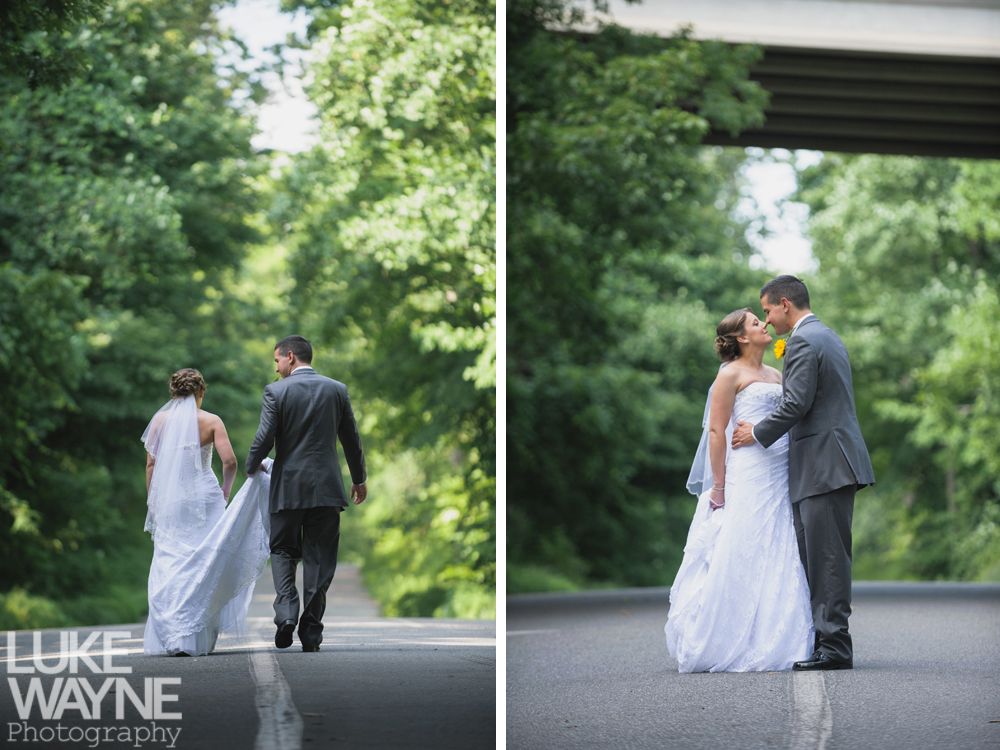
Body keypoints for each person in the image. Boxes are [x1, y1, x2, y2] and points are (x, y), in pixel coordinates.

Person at [732, 275, 874, 671]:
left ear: (784, 304)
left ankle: (834, 647)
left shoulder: (805, 340)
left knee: (827, 557)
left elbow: (795, 403)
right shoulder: (822, 335)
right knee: (819, 554)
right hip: (825, 462)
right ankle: (824, 639)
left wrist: (756, 432)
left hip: (825, 462)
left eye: (767, 310)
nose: (767, 319)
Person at [665, 308, 814, 672]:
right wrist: (719, 485)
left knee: (780, 545)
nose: (764, 323)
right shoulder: (730, 375)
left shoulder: (777, 374)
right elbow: (717, 431)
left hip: (779, 470)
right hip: (747, 472)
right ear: (742, 338)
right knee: (745, 544)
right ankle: (727, 636)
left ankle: (777, 636)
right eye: (754, 321)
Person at [246, 335, 368, 652]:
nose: (276, 368)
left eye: (277, 361)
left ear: (290, 357)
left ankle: (287, 613)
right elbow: (351, 439)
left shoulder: (276, 392)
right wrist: (359, 478)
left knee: (283, 550)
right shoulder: (336, 390)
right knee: (320, 559)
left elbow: (264, 437)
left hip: (288, 488)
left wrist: (251, 466)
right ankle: (310, 632)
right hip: (327, 488)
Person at [142, 368, 271, 656]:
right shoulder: (211, 421)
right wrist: (225, 491)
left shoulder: (159, 422)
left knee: (170, 561)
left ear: (173, 392)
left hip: (171, 501)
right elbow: (230, 462)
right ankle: (196, 632)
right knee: (205, 561)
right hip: (204, 498)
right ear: (201, 391)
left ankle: (172, 631)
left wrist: (153, 499)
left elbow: (151, 465)